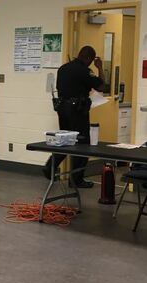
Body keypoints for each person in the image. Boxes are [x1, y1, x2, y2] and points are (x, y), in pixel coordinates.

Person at [43, 45, 105, 188]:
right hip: (77, 110)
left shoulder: (63, 68)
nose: (91, 64)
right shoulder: (84, 71)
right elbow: (101, 87)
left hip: (62, 109)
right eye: (91, 61)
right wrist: (100, 68)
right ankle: (76, 180)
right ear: (88, 58)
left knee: (65, 140)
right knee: (82, 143)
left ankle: (50, 166)